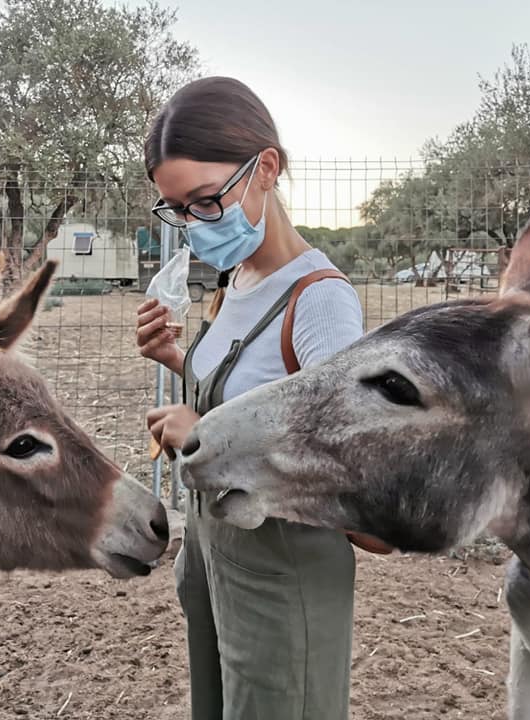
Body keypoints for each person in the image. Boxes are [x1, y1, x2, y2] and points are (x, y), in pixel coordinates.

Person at [136, 76, 390, 720]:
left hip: (282, 575)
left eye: (205, 201)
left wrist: (201, 437)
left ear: (266, 169)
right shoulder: (238, 279)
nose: (194, 225)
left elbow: (348, 472)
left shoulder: (319, 300)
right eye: (178, 209)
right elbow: (256, 393)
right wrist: (176, 359)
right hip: (217, 559)